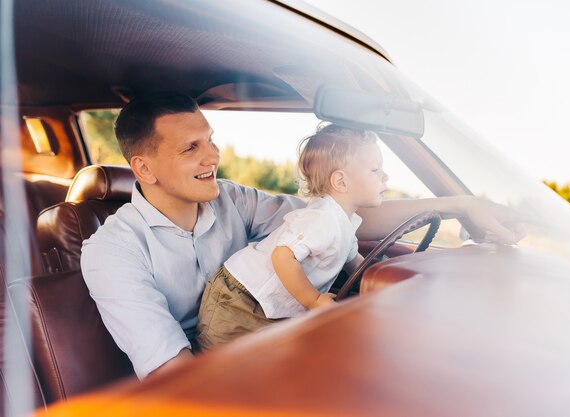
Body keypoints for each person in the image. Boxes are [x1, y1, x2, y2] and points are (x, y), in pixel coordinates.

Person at [81, 92, 524, 380]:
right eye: (190, 148)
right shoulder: (111, 251)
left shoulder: (232, 199)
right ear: (144, 169)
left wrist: (456, 206)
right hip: (206, 380)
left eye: (210, 140)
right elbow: (172, 375)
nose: (213, 155)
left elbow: (336, 216)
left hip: (265, 343)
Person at [196, 124, 387, 349]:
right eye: (375, 170)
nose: (385, 176)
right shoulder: (321, 218)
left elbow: (354, 263)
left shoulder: (343, 222)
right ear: (341, 182)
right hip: (239, 299)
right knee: (216, 363)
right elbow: (283, 256)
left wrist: (384, 280)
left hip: (265, 303)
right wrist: (314, 300)